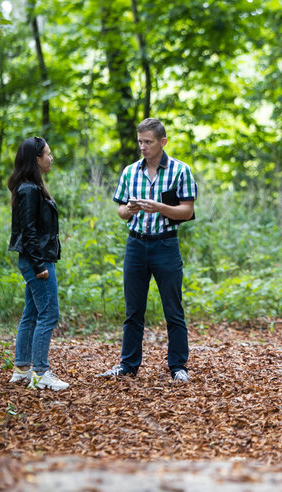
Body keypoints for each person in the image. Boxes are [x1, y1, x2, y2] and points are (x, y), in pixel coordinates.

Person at [99, 118, 197, 382]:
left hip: (166, 244)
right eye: (140, 141)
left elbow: (187, 212)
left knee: (173, 310)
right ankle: (128, 365)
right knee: (133, 311)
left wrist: (160, 208)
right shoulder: (130, 172)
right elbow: (120, 211)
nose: (142, 146)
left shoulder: (180, 170)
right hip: (136, 244)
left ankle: (178, 367)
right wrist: (128, 210)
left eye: (148, 142)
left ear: (162, 142)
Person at [7, 136, 69, 391]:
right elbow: (29, 232)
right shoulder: (29, 190)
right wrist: (39, 266)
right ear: (36, 159)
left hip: (35, 258)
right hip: (37, 259)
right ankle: (41, 372)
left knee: (32, 313)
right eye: (48, 154)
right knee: (48, 314)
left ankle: (22, 368)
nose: (51, 158)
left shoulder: (29, 186)